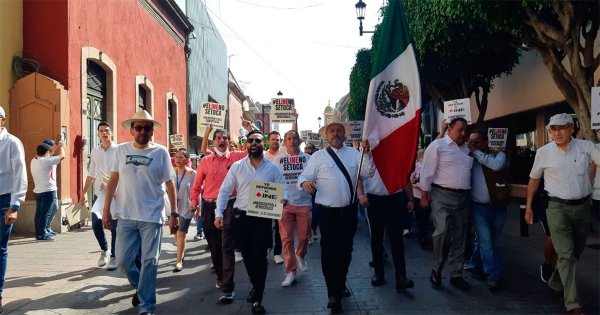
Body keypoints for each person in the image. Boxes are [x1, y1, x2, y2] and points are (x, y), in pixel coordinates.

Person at [102, 110, 178, 315]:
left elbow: (170, 185)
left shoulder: (161, 152)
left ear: (152, 131)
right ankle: (141, 287)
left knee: (149, 261)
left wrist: (174, 214)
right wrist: (106, 209)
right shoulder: (121, 151)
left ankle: (147, 306)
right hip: (125, 216)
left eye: (146, 127)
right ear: (132, 130)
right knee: (123, 261)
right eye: (138, 127)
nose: (142, 131)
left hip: (152, 217)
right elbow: (113, 181)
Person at [298, 115, 374, 313]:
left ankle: (340, 283)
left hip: (348, 212)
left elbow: (367, 173)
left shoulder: (355, 154)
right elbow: (304, 176)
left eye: (339, 130)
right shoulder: (318, 156)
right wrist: (305, 183)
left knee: (346, 251)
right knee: (329, 252)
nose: (336, 133)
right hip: (327, 213)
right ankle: (333, 291)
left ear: (344, 133)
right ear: (326, 135)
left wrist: (367, 154)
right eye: (332, 130)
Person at [524, 113, 599, 315]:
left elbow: (597, 162)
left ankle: (556, 282)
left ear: (572, 129)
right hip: (556, 208)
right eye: (553, 129)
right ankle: (572, 303)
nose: (556, 133)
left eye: (561, 128)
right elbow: (534, 180)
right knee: (566, 254)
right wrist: (529, 207)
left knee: (575, 253)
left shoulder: (587, 147)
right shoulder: (544, 152)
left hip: (583, 208)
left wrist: (589, 187)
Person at [214, 130, 287, 315]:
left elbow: (283, 188)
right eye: (251, 140)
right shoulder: (237, 167)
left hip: (262, 218)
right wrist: (219, 214)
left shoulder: (272, 168)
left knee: (260, 258)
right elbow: (224, 191)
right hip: (241, 218)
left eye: (258, 140)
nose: (254, 143)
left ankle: (257, 299)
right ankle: (256, 286)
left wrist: (283, 198)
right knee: (247, 257)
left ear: (265, 145)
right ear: (246, 144)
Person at [190, 124, 248, 290]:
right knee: (214, 246)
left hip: (230, 204)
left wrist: (250, 130)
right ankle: (221, 276)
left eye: (225, 138)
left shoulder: (238, 157)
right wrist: (194, 201)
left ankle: (228, 285)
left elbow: (255, 149)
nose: (222, 140)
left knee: (227, 245)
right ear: (213, 142)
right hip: (209, 205)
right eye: (218, 138)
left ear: (229, 141)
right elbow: (197, 185)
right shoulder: (205, 161)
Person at [419, 117, 472, 291]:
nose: (463, 134)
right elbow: (426, 172)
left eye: (465, 130)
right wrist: (424, 196)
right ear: (449, 129)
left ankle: (456, 274)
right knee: (441, 233)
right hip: (441, 195)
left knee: (460, 235)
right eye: (460, 130)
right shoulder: (438, 146)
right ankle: (436, 269)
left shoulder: (467, 149)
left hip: (463, 198)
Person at [464, 130, 508, 291]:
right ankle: (492, 276)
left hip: (499, 207)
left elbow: (496, 166)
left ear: (484, 142)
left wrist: (476, 153)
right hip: (479, 207)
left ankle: (475, 263)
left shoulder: (499, 155)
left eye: (476, 142)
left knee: (489, 241)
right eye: (470, 141)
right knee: (487, 243)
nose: (472, 145)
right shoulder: (468, 158)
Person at [361, 166, 415, 293]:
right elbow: (359, 178)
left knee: (397, 239)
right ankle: (378, 273)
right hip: (374, 199)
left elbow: (404, 176)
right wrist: (361, 195)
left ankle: (401, 277)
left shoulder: (394, 154)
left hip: (394, 199)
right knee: (376, 238)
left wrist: (411, 198)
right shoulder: (367, 155)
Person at [274, 130, 312, 287]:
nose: (292, 141)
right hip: (284, 204)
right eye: (288, 138)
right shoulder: (278, 160)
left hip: (304, 203)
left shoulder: (309, 159)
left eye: (295, 138)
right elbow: (272, 179)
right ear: (284, 141)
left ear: (300, 141)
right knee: (286, 239)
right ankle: (291, 272)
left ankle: (300, 254)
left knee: (304, 237)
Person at [79, 122, 118, 270]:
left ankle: (114, 256)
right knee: (96, 223)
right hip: (99, 193)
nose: (104, 133)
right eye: (101, 131)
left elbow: (123, 171)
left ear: (111, 133)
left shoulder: (119, 150)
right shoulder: (95, 151)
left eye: (107, 130)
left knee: (114, 226)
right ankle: (105, 249)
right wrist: (83, 193)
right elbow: (91, 173)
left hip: (115, 194)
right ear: (98, 134)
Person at [0, 105, 27, 313]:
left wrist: (15, 205)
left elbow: (20, 175)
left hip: (4, 201)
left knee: (0, 248)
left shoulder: (12, 143)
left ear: (2, 120)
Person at [31, 139, 65, 241]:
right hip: (48, 191)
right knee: (44, 214)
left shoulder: (34, 160)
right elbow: (62, 156)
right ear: (47, 152)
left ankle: (39, 233)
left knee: (39, 214)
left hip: (38, 191)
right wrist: (62, 146)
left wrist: (56, 147)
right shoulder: (47, 161)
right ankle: (42, 234)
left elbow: (53, 155)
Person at [172, 150, 196, 272]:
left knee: (181, 233)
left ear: (187, 160)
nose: (178, 159)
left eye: (181, 157)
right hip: (174, 208)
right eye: (176, 157)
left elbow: (196, 190)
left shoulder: (192, 174)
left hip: (187, 208)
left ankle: (178, 261)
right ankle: (181, 252)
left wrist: (197, 207)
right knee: (176, 234)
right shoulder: (171, 173)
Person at [264, 130, 284, 265]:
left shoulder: (284, 153)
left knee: (278, 225)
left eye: (277, 139)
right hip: (265, 190)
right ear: (268, 141)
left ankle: (277, 253)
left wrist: (295, 118)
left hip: (280, 191)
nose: (275, 141)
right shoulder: (263, 155)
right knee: (264, 224)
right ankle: (267, 247)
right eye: (273, 139)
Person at [411, 149, 431, 250]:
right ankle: (422, 238)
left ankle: (425, 236)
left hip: (429, 197)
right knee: (420, 218)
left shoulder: (429, 167)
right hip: (417, 196)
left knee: (426, 218)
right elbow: (412, 180)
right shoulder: (416, 166)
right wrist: (419, 184)